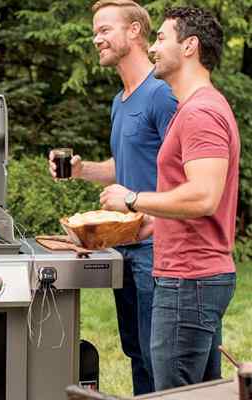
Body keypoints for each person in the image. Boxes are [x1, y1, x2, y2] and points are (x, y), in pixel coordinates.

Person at [100, 6, 240, 391]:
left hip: (189, 280)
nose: (154, 47)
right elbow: (193, 197)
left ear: (190, 46)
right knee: (203, 392)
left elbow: (204, 196)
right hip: (190, 277)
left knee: (172, 394)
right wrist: (155, 221)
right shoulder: (192, 109)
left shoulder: (201, 112)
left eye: (161, 38)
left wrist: (133, 199)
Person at [50, 0, 177, 395]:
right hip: (125, 246)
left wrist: (152, 213)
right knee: (137, 352)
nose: (96, 38)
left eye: (105, 29)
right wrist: (83, 169)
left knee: (160, 359)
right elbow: (127, 166)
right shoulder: (120, 101)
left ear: (135, 32)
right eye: (95, 30)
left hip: (158, 249)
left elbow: (185, 168)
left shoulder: (161, 95)